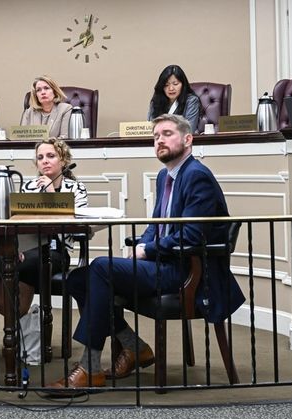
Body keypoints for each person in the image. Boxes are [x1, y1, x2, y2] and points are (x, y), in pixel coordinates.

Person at [47, 114, 245, 391]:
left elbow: (190, 236)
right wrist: (143, 247)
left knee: (101, 267)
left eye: (167, 134)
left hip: (185, 272)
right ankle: (134, 347)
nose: (160, 140)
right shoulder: (166, 175)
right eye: (156, 137)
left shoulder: (197, 176)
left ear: (188, 140)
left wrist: (147, 250)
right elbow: (157, 225)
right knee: (79, 279)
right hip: (163, 265)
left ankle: (90, 366)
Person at [0, 137, 87, 317]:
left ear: (63, 160)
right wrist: (17, 247)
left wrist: (51, 194)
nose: (45, 160)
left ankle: (17, 327)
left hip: (56, 251)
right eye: (40, 157)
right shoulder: (29, 186)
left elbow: (77, 226)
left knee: (23, 266)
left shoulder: (76, 188)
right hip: (28, 248)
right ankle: (17, 319)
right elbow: (19, 222)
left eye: (51, 156)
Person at [147, 65, 201, 133]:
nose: (171, 88)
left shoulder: (191, 101)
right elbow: (149, 128)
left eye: (175, 84)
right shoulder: (156, 102)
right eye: (166, 85)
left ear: (183, 85)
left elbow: (189, 130)